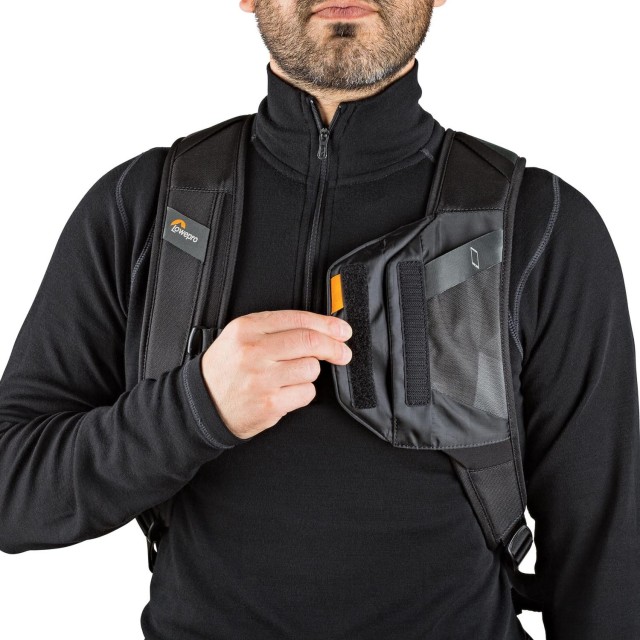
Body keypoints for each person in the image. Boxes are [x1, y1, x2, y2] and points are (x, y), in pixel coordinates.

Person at [0, 0, 638, 638]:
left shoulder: (541, 228)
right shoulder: (143, 210)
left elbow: (608, 560)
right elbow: (12, 490)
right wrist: (194, 408)